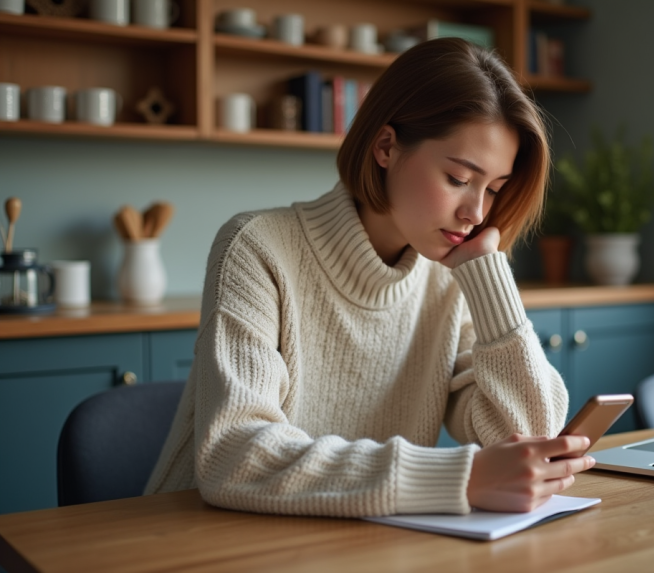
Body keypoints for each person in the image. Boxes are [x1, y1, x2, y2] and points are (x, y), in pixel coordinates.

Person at [145, 37, 595, 517]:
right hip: (202, 539)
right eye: (459, 180)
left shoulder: (452, 276)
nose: (476, 213)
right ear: (386, 147)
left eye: (494, 190)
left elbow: (530, 438)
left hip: (355, 542)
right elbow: (234, 456)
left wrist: (490, 277)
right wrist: (459, 480)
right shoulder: (257, 247)